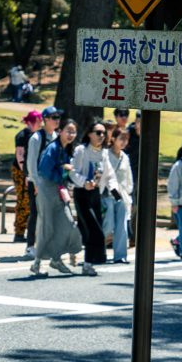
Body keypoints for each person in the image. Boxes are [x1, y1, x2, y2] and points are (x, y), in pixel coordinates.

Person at [30, 119, 82, 276]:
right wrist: (62, 169)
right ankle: (37, 263)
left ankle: (56, 258)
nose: (71, 134)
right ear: (60, 131)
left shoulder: (65, 150)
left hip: (60, 190)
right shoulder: (52, 148)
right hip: (47, 189)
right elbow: (45, 171)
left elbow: (65, 174)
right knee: (47, 226)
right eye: (68, 130)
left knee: (69, 224)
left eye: (73, 131)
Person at [70, 118, 116, 275]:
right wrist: (84, 183)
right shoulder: (81, 151)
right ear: (89, 134)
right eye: (98, 132)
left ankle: (85, 259)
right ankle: (88, 262)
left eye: (104, 133)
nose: (101, 135)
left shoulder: (104, 153)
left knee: (90, 229)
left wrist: (117, 194)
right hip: (82, 194)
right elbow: (72, 171)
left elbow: (110, 176)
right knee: (92, 229)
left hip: (95, 195)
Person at [25, 106, 61, 261]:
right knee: (36, 213)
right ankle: (30, 245)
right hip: (37, 182)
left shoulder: (56, 136)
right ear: (45, 120)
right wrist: (36, 183)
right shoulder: (36, 138)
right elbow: (31, 162)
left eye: (58, 117)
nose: (57, 120)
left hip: (52, 181)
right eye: (53, 117)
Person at [101, 126, 133, 263]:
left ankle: (120, 256)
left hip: (122, 198)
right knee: (107, 225)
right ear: (113, 139)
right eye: (121, 139)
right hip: (107, 196)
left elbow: (129, 178)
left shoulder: (125, 157)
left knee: (122, 227)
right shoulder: (105, 155)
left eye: (126, 139)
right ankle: (97, 250)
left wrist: (127, 193)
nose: (124, 142)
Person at [12, 110, 42, 243]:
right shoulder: (23, 135)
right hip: (21, 171)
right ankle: (19, 232)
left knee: (30, 202)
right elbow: (20, 155)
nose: (40, 124)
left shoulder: (37, 135)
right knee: (23, 200)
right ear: (30, 122)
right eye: (37, 121)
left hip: (31, 172)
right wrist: (25, 174)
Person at [125, 111, 141, 247]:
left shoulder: (149, 133)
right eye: (138, 122)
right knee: (132, 206)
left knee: (140, 206)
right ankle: (131, 235)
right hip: (129, 175)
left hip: (142, 174)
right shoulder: (129, 133)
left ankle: (136, 236)